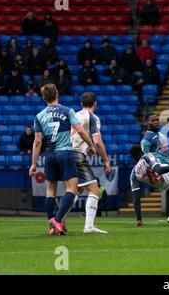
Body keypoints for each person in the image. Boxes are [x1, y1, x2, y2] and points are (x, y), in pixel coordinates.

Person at [29, 84, 96, 236]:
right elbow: (80, 130)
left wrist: (33, 163)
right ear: (57, 94)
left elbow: (37, 141)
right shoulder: (67, 111)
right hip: (65, 152)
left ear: (44, 98)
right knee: (72, 189)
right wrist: (91, 145)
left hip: (49, 155)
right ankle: (57, 221)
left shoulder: (39, 116)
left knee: (50, 190)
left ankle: (51, 226)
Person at [71, 92, 112, 233]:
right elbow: (98, 142)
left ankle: (57, 221)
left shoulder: (74, 115)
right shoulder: (93, 117)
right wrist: (106, 160)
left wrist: (87, 147)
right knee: (94, 190)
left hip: (65, 153)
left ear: (81, 104)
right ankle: (88, 226)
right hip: (77, 155)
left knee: (76, 190)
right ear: (95, 104)